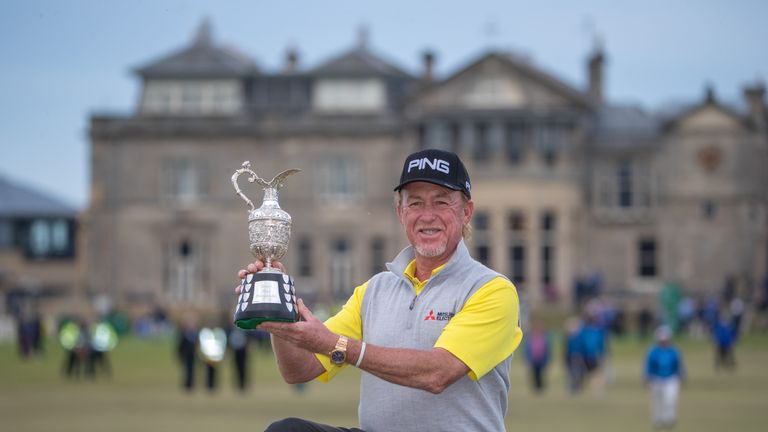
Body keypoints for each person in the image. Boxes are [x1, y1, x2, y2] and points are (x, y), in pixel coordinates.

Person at [237, 149, 523, 431]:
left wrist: (335, 345)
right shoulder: (375, 290)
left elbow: (438, 373)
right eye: (415, 203)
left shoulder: (491, 290)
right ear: (400, 212)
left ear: (466, 212)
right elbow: (299, 370)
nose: (427, 215)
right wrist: (278, 307)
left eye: (441, 202)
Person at [644, 325, 685, 429]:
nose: (663, 342)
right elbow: (648, 365)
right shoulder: (653, 351)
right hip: (656, 378)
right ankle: (657, 420)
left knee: (670, 400)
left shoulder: (674, 351)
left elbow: (679, 365)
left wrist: (681, 375)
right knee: (657, 401)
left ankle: (669, 419)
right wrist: (647, 377)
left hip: (671, 379)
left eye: (665, 339)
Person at [524, 319, 551, 393]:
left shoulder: (544, 338)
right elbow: (528, 349)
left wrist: (548, 359)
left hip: (541, 359)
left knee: (541, 373)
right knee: (535, 373)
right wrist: (527, 358)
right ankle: (536, 387)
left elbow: (547, 349)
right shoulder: (530, 338)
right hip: (534, 359)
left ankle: (540, 387)